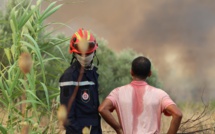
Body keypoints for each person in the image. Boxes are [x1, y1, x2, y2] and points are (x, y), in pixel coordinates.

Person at [99, 56, 182, 134]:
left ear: (131, 72)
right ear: (150, 73)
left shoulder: (117, 93)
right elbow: (177, 114)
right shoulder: (160, 94)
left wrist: (118, 129)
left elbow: (102, 109)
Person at [59, 28, 102, 134]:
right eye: (81, 54)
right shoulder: (69, 76)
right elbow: (68, 117)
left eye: (88, 54)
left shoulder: (92, 74)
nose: (85, 57)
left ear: (94, 51)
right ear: (74, 53)